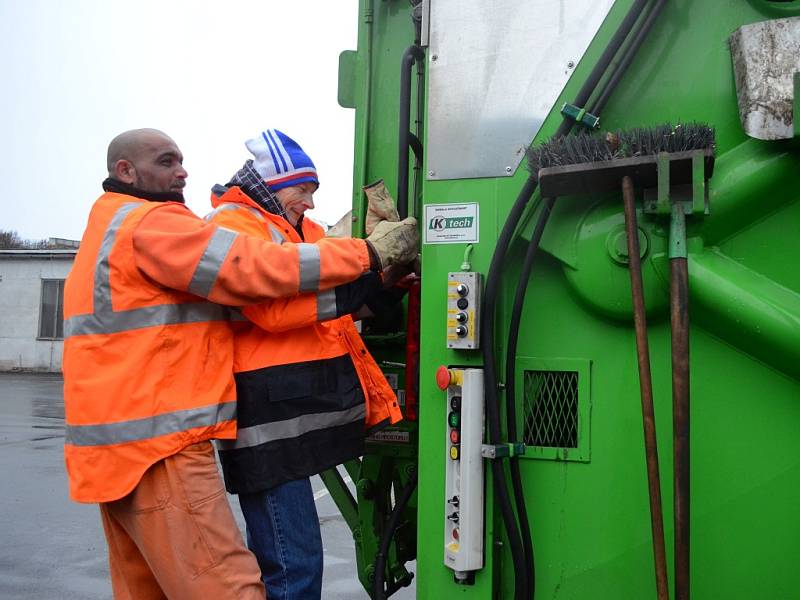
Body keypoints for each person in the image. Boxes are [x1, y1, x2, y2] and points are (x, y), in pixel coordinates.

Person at [62, 128, 419, 600]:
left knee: (150, 589)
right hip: (160, 445)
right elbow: (252, 271)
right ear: (125, 171)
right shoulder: (153, 225)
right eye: (167, 162)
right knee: (228, 587)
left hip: (118, 448)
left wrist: (375, 283)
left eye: (181, 160)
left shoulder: (109, 227)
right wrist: (368, 253)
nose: (182, 170)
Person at [206, 129, 410, 600]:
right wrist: (373, 262)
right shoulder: (234, 226)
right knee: (291, 569)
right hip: (268, 424)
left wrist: (387, 284)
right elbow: (274, 309)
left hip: (292, 415)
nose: (311, 206)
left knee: (297, 564)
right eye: (304, 191)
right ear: (273, 184)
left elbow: (336, 307)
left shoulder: (298, 231)